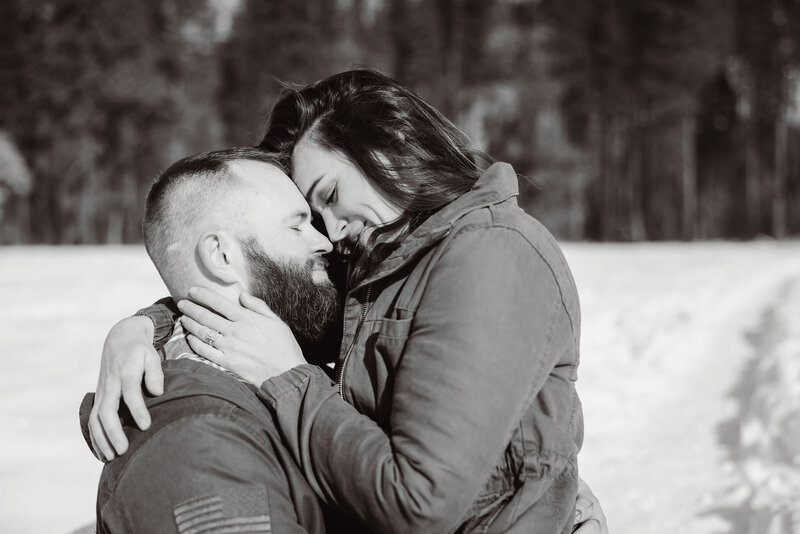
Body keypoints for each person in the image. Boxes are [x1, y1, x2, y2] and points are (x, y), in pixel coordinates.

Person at [89, 69, 608, 533]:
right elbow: (270, 285)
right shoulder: (391, 259)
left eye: (330, 195)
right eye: (310, 218)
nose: (331, 232)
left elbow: (421, 503)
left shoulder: (491, 252)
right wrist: (142, 328)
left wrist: (286, 376)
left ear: (387, 145)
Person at [80, 147, 343, 533]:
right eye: (297, 225)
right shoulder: (198, 440)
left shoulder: (266, 373)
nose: (326, 242)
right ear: (220, 255)